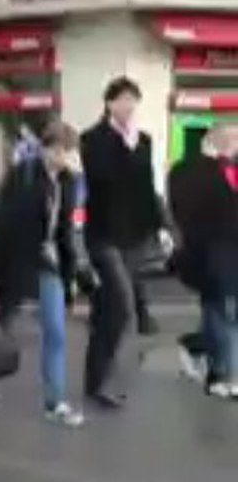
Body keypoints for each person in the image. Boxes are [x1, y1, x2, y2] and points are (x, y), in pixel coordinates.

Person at [0, 121, 97, 424]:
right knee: (3, 324)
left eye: (66, 151)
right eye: (56, 150)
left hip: (50, 262)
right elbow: (0, 224)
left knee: (56, 331)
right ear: (45, 148)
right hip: (18, 259)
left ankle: (54, 401)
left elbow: (66, 232)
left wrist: (71, 275)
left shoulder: (70, 182)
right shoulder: (23, 175)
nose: (60, 157)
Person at [80, 77, 169, 408]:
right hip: (103, 235)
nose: (129, 107)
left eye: (134, 101)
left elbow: (147, 187)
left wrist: (162, 227)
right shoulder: (94, 139)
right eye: (124, 100)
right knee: (122, 305)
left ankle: (95, 378)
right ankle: (104, 378)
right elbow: (99, 178)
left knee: (106, 310)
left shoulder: (143, 140)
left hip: (134, 236)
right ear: (110, 103)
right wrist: (125, 148)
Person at [170, 122, 238, 398]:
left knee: (222, 312)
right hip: (209, 251)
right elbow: (186, 211)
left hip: (230, 250)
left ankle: (196, 347)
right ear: (221, 140)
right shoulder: (188, 170)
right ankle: (220, 374)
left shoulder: (230, 169)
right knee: (219, 309)